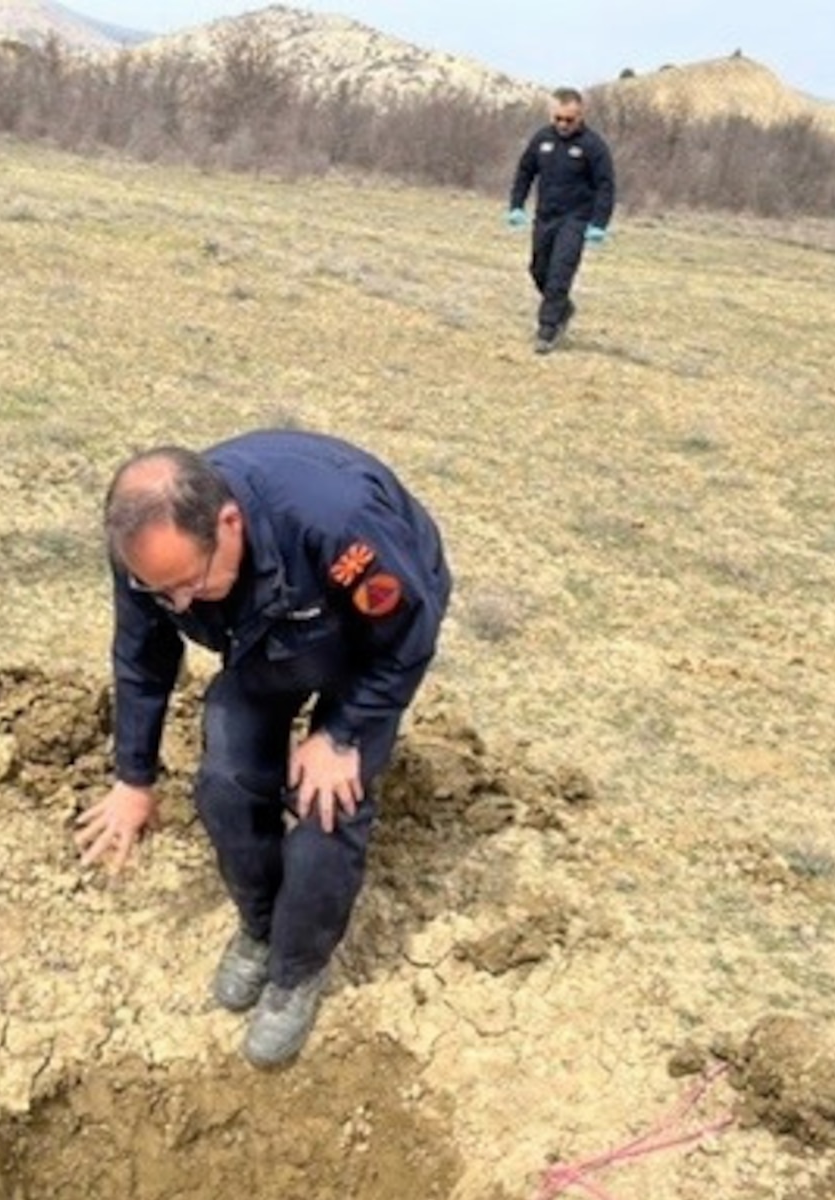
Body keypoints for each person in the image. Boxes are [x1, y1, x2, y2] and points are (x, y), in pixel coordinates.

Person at [75, 431, 453, 1069]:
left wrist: (342, 733)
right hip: (261, 640)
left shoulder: (336, 527)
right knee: (225, 780)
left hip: (364, 643)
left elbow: (407, 633)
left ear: (228, 523)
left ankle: (296, 970)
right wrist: (133, 778)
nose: (178, 604)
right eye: (161, 591)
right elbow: (142, 659)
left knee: (326, 806)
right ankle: (259, 927)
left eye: (190, 583)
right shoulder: (145, 550)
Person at [505, 87, 616, 355]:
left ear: (581, 115)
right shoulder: (542, 139)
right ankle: (563, 307)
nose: (563, 124)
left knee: (559, 274)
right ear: (551, 115)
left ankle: (548, 329)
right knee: (538, 270)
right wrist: (516, 205)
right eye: (558, 119)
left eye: (570, 119)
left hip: (576, 220)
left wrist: (599, 224)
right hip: (546, 216)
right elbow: (525, 171)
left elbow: (606, 186)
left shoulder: (593, 146)